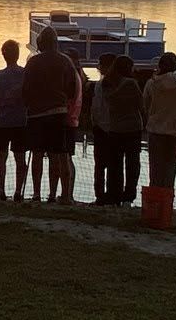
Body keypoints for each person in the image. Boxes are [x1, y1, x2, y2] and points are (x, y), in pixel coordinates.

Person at [21, 26, 77, 203]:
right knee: (56, 154)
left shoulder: (33, 62)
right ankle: (53, 194)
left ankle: (36, 193)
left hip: (36, 114)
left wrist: (29, 104)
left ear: (40, 43)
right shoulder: (66, 61)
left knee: (37, 154)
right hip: (58, 113)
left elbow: (25, 89)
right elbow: (72, 89)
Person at [92, 55, 143, 206]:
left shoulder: (106, 84)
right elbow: (141, 105)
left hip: (115, 128)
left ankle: (114, 194)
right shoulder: (131, 84)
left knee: (115, 164)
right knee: (132, 164)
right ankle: (128, 195)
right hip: (132, 128)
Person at [142, 52, 176, 190]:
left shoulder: (151, 84)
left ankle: (154, 199)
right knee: (171, 171)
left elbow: (145, 105)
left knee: (155, 170)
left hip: (156, 131)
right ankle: (167, 200)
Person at [0, 40, 28, 203]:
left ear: (3, 55)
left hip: (2, 122)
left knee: (1, 157)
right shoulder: (25, 74)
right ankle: (18, 190)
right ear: (17, 55)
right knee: (20, 159)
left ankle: (0, 190)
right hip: (21, 121)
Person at [57, 49, 86, 203]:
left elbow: (68, 99)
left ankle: (67, 194)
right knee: (67, 157)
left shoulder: (73, 77)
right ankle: (68, 193)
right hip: (73, 120)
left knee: (65, 157)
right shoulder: (78, 75)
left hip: (67, 120)